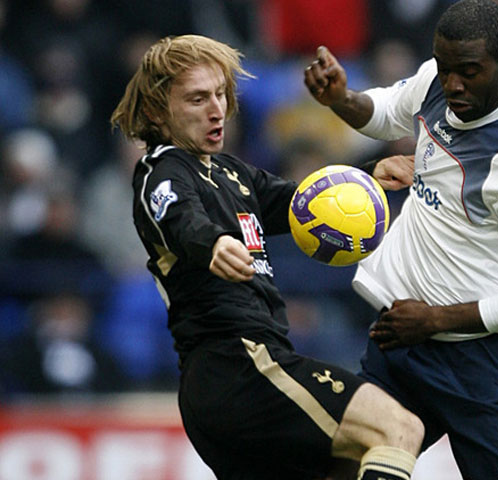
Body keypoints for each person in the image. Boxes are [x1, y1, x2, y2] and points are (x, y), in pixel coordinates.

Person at [110, 34, 423, 480]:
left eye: (220, 94)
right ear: (159, 110)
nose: (217, 109)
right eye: (198, 99)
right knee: (397, 428)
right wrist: (214, 244)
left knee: (346, 465)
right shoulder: (162, 169)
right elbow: (178, 216)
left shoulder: (232, 173)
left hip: (238, 381)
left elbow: (301, 202)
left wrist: (369, 175)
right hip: (238, 366)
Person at [304, 1, 498, 478]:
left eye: (468, 72)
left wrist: (433, 320)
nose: (452, 84)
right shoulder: (440, 80)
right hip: (403, 341)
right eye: (446, 68)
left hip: (489, 366)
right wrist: (341, 99)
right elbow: (389, 113)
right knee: (339, 467)